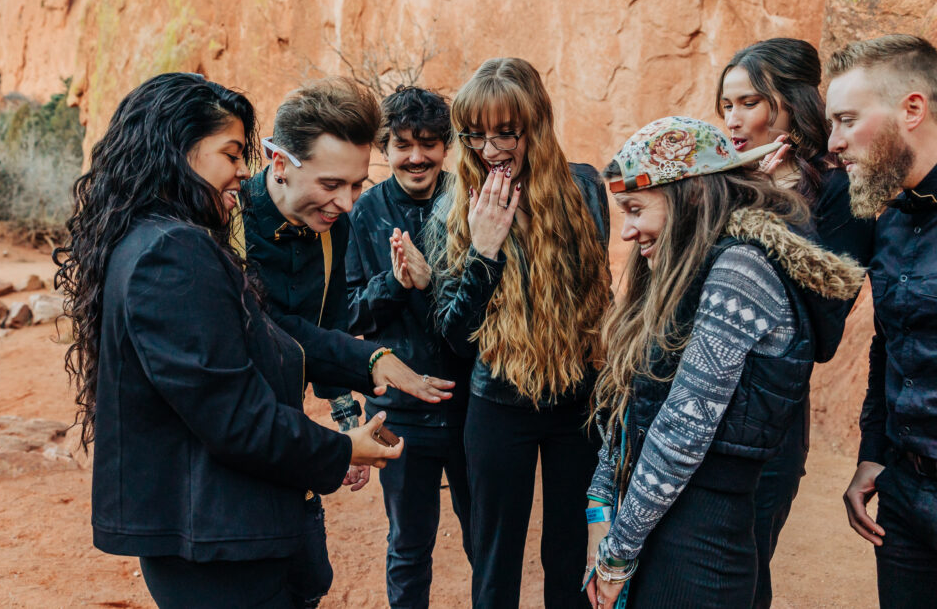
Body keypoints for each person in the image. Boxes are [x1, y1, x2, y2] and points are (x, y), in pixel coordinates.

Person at [54, 72, 452, 608]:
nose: (244, 170)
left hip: (251, 512)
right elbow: (235, 411)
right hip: (218, 533)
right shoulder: (178, 250)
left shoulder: (169, 238)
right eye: (231, 153)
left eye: (356, 186)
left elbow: (282, 338)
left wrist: (362, 376)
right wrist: (338, 446)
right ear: (179, 149)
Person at [586, 116, 864, 609]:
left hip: (698, 555)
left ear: (689, 195)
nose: (626, 230)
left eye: (634, 209)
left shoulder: (740, 270)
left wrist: (616, 555)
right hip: (658, 528)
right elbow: (630, 402)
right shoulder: (684, 266)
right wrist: (599, 503)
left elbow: (683, 430)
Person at [426, 57, 613, 608]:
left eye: (506, 132)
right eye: (475, 134)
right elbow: (454, 340)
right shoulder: (452, 207)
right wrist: (484, 251)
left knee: (570, 552)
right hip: (497, 405)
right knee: (495, 557)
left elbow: (595, 298)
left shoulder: (583, 188)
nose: (490, 149)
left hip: (575, 402)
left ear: (536, 123)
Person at [716, 37, 875, 608]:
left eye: (749, 103)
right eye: (726, 105)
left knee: (742, 581)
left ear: (790, 104)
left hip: (766, 428)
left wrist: (784, 208)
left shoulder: (840, 190)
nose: (733, 120)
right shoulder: (723, 181)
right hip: (691, 415)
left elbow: (826, 335)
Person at [235, 76, 388, 607]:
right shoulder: (224, 222)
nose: (346, 203)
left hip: (292, 444)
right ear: (279, 163)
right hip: (228, 448)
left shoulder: (334, 225)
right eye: (330, 184)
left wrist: (349, 428)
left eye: (358, 185)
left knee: (308, 581)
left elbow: (330, 331)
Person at [346, 86, 473, 608]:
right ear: (386, 148)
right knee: (409, 545)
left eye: (429, 143)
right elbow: (348, 312)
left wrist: (435, 281)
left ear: (447, 147)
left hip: (473, 407)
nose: (416, 156)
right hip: (400, 413)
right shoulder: (364, 212)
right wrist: (395, 283)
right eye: (403, 144)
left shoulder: (467, 198)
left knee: (486, 539)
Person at [829, 34, 937, 608]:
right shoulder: (891, 221)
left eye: (846, 120)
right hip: (901, 497)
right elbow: (888, 348)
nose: (835, 143)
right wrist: (874, 450)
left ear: (911, 110)